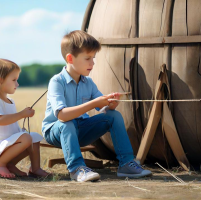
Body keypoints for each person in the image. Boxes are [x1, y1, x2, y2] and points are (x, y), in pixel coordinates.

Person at [42, 30, 152, 182]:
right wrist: (94, 103)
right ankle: (77, 169)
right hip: (56, 131)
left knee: (113, 116)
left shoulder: (89, 83)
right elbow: (62, 115)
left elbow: (103, 109)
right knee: (67, 123)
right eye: (87, 58)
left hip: (80, 129)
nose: (92, 63)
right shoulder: (57, 81)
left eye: (93, 58)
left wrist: (111, 104)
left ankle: (126, 164)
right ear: (70, 58)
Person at [0, 58, 51, 179]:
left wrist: (19, 131)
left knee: (34, 138)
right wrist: (22, 114)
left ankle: (34, 168)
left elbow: (9, 124)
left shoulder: (11, 101)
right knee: (26, 138)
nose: (17, 84)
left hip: (6, 144)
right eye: (14, 80)